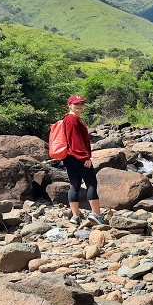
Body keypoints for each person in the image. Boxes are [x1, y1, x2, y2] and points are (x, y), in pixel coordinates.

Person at [61, 94, 107, 225]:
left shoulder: (69, 119)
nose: (80, 106)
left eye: (81, 103)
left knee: (75, 185)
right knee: (91, 183)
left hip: (69, 157)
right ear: (69, 105)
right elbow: (76, 141)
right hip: (77, 156)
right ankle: (97, 215)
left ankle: (75, 216)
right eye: (76, 104)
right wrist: (85, 157)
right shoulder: (72, 120)